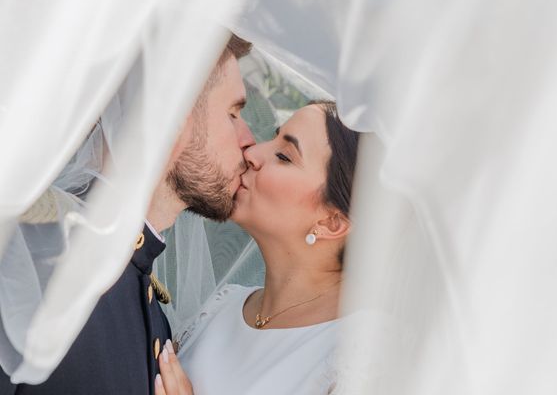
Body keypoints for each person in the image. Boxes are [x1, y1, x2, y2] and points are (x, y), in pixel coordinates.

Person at [0, 33, 256, 394]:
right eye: (233, 113)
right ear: (170, 120)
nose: (250, 140)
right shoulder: (26, 255)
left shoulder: (155, 317)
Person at [154, 101, 360, 395]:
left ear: (332, 222)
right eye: (273, 137)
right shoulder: (222, 306)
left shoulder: (362, 352)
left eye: (283, 156)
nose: (251, 153)